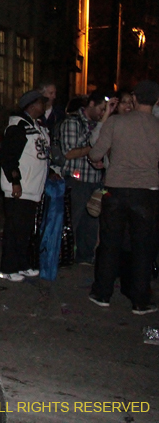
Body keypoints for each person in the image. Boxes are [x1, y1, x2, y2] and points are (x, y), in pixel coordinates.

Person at [88, 81, 159, 314]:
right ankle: (140, 300)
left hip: (116, 189)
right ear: (156, 101)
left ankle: (102, 293)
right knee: (143, 247)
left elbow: (96, 153)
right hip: (147, 192)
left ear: (135, 99)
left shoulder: (117, 123)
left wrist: (98, 158)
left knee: (110, 244)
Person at [0, 90, 50, 281]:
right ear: (31, 105)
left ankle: (23, 264)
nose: (43, 106)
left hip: (32, 189)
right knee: (14, 230)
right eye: (40, 103)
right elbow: (8, 157)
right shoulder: (18, 127)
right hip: (20, 189)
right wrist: (15, 182)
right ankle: (8, 268)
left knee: (25, 231)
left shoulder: (36, 126)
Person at [58, 90, 108, 265]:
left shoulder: (98, 125)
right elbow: (69, 153)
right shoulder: (73, 122)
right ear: (91, 104)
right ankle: (64, 254)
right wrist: (94, 149)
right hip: (76, 179)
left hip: (94, 179)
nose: (103, 113)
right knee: (72, 219)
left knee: (91, 222)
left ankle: (85, 256)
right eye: (102, 109)